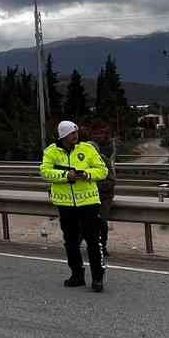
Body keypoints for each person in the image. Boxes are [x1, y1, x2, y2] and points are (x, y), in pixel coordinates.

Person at [40, 120, 109, 292]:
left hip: (89, 202)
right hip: (65, 204)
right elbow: (45, 171)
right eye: (72, 133)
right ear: (63, 135)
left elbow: (103, 170)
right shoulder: (51, 152)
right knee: (70, 242)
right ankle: (77, 275)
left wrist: (87, 174)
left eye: (76, 132)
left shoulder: (87, 149)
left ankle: (97, 278)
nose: (75, 136)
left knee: (94, 242)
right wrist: (65, 175)